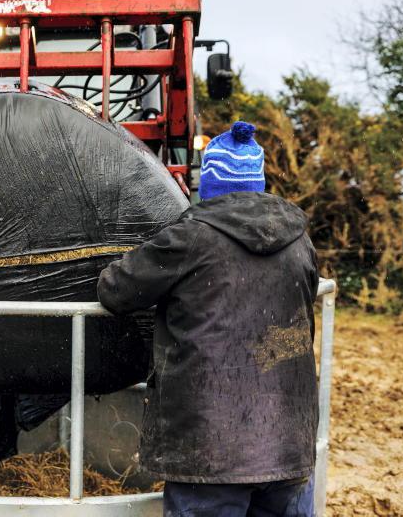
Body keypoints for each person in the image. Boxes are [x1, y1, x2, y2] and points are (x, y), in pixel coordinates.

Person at [97, 121, 318, 516]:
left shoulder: (190, 238)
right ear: (258, 181)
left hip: (211, 450)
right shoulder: (300, 239)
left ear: (209, 183)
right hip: (289, 441)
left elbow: (116, 290)